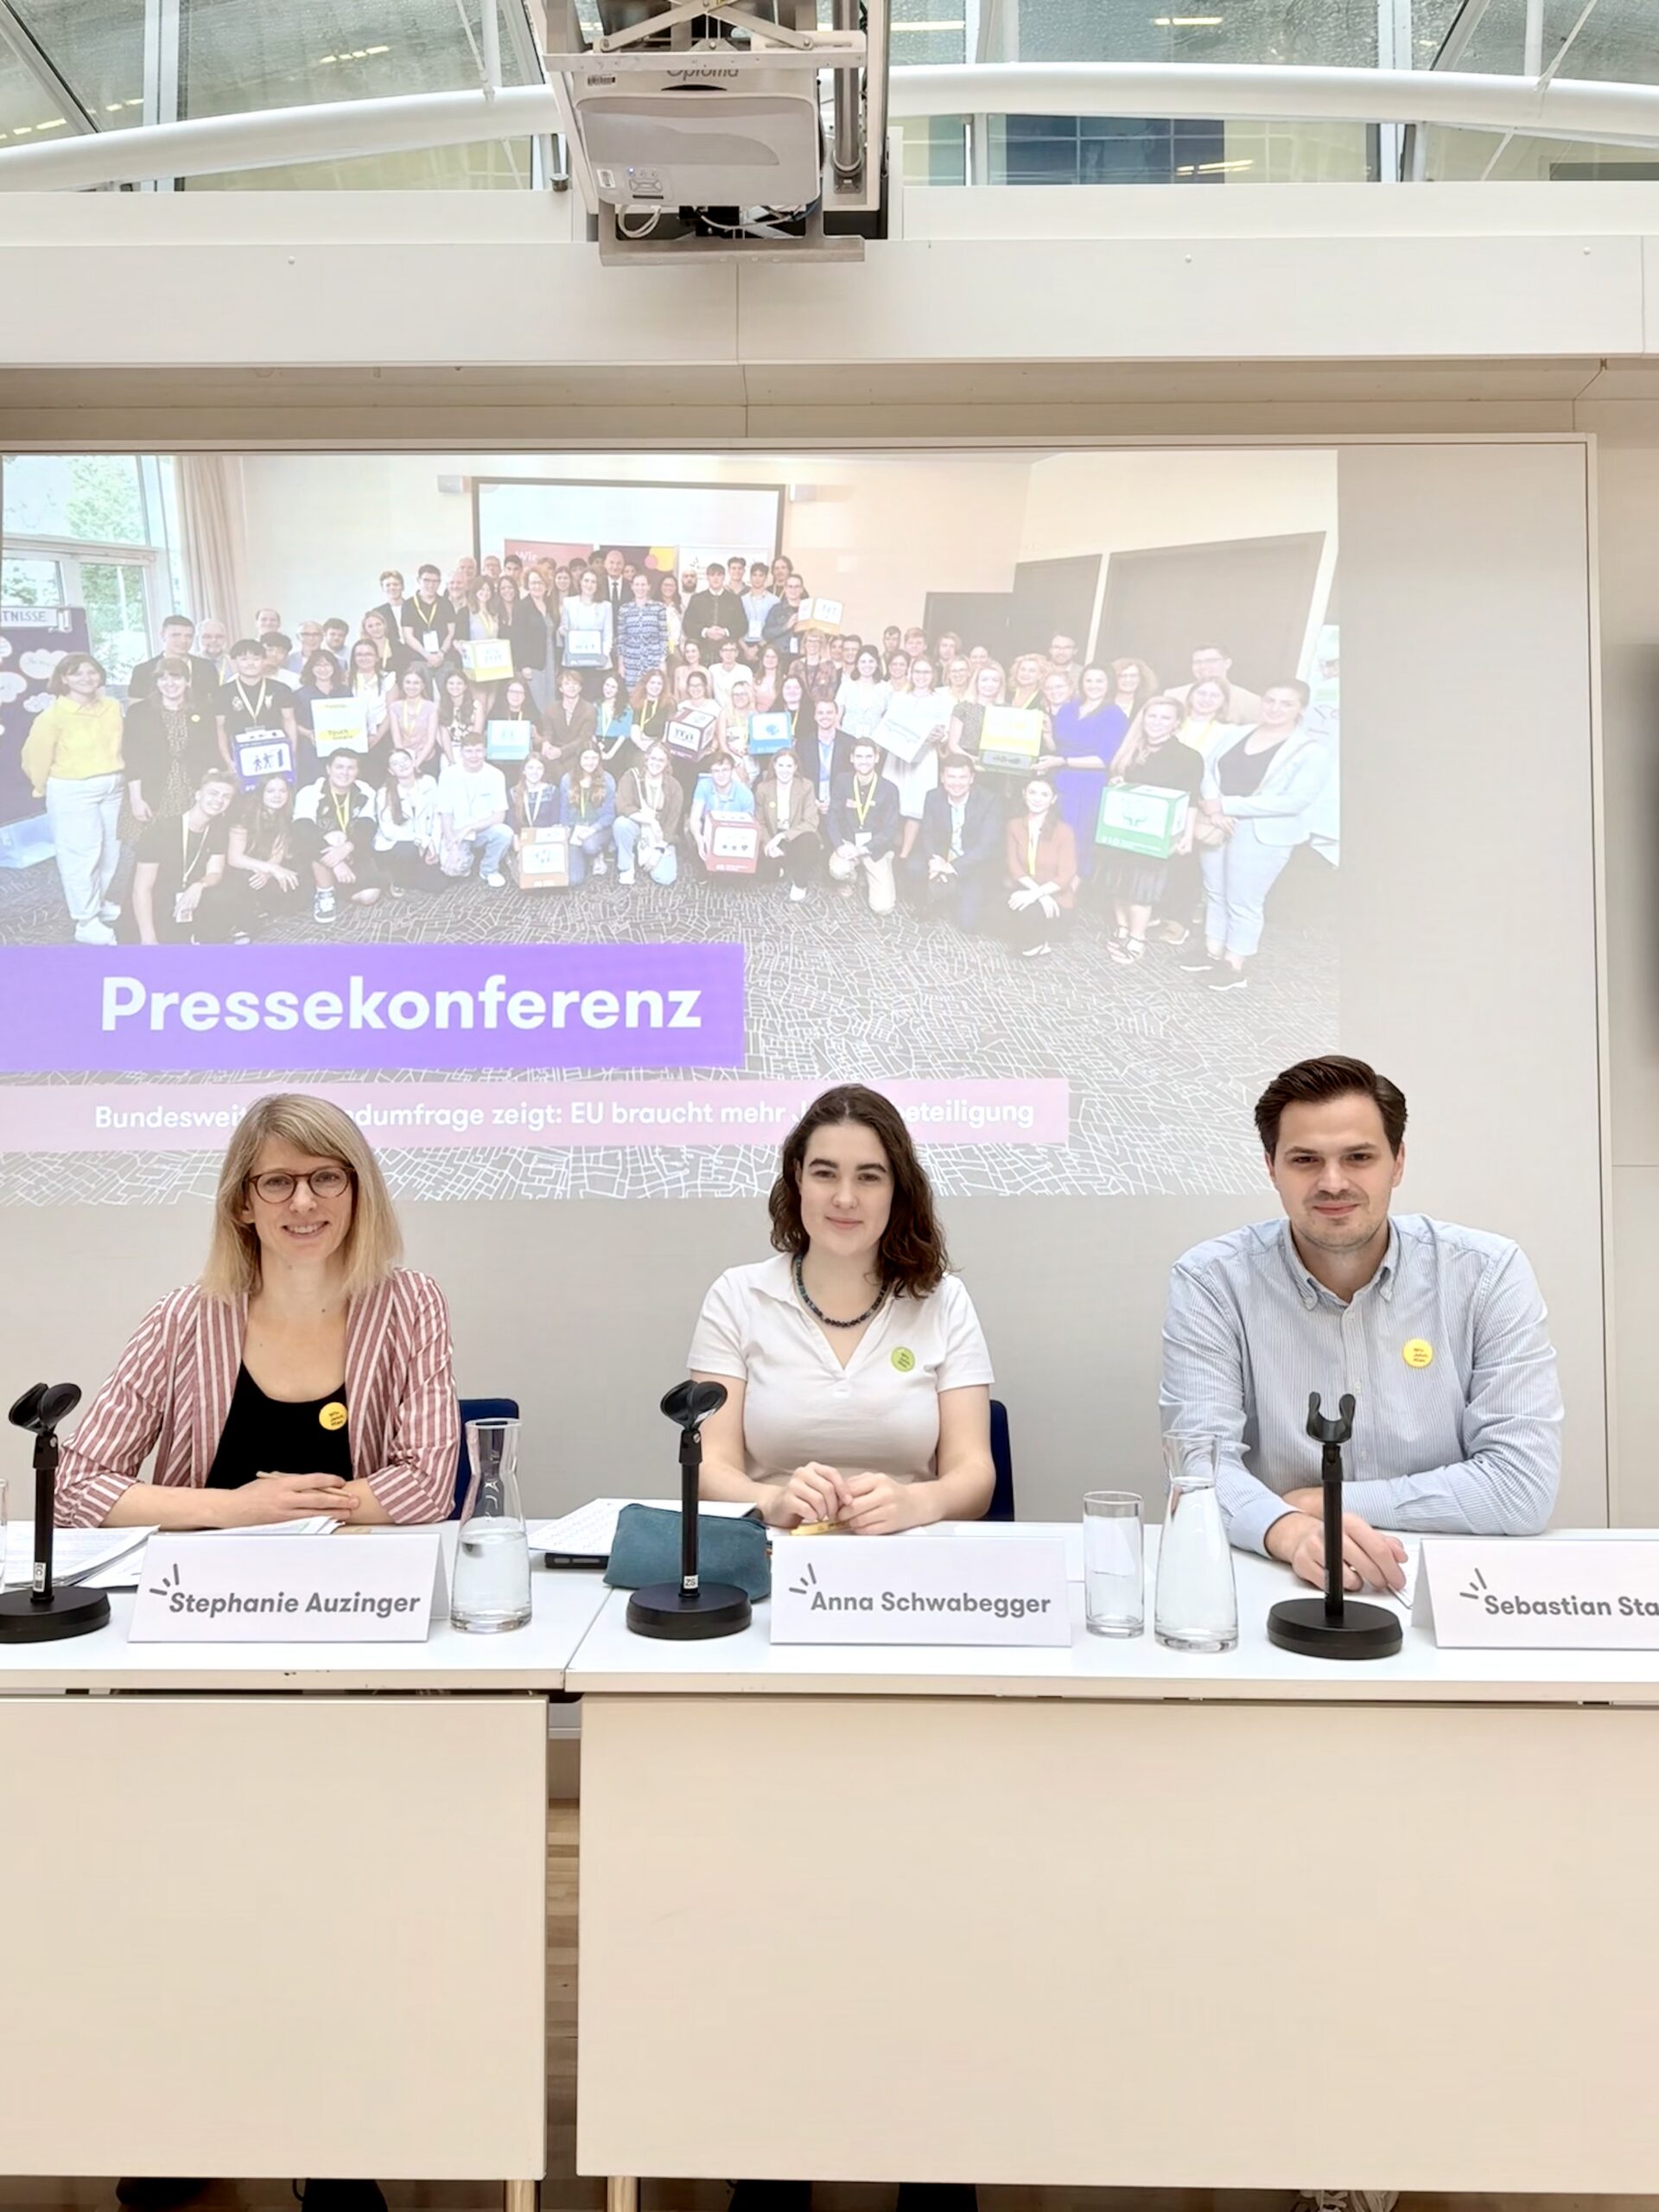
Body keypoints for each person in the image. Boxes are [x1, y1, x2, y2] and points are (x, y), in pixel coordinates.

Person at [1161, 1052, 1561, 1583]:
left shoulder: (1487, 1274)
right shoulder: (1212, 1281)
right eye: (1305, 1160)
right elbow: (1199, 1472)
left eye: (1358, 1158)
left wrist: (1332, 1503)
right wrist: (1290, 1529)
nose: (1332, 1182)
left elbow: (1521, 1488)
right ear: (1270, 1167)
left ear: (1397, 1162)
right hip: (1277, 1572)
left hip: (1454, 1577)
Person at [56, 1088, 458, 1535]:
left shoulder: (411, 1303)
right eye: (277, 1182)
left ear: (358, 1193)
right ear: (242, 1203)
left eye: (326, 1178)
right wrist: (235, 1508)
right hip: (201, 1592)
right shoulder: (183, 1318)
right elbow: (72, 1489)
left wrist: (288, 1507)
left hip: (358, 1590)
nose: (303, 1202)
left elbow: (428, 1486)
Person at [690, 1083, 995, 1547]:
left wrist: (918, 1503)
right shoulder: (736, 1297)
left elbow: (975, 1475)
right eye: (825, 1173)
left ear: (898, 1189)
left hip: (910, 1561)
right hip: (771, 1557)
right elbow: (710, 1467)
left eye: (869, 1177)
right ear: (797, 1177)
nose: (845, 1198)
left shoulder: (944, 1301)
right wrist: (770, 1501)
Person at [1186, 681, 1330, 994]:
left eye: (1286, 704)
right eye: (1271, 700)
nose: (1275, 708)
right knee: (1215, 890)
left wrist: (1229, 805)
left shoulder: (1311, 750)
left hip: (1262, 833)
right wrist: (1215, 810)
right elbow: (1208, 770)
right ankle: (1213, 950)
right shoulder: (1236, 733)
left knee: (1244, 900)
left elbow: (1296, 800)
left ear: (1300, 709)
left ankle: (1234, 965)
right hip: (1218, 822)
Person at [21, 650, 126, 945]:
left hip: (112, 786)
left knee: (110, 852)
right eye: (77, 673)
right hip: (72, 790)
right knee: (82, 855)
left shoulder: (112, 706)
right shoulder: (52, 716)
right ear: (64, 678)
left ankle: (98, 903)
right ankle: (85, 921)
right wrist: (41, 788)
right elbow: (34, 758)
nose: (86, 678)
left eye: (92, 671)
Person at [1101, 693, 1203, 966]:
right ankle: (1122, 927)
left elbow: (1192, 799)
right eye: (1152, 716)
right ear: (1143, 718)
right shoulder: (1131, 750)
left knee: (1141, 888)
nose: (1157, 722)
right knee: (1117, 881)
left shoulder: (1188, 757)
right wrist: (1118, 783)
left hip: (1156, 836)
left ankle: (1137, 938)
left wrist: (1188, 835)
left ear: (1177, 724)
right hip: (1123, 829)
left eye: (1165, 718)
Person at [131, 766, 237, 944]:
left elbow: (216, 872)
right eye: (213, 793)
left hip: (186, 898)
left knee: (225, 894)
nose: (219, 800)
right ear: (198, 795)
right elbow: (141, 889)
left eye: (226, 797)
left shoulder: (217, 830)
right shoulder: (161, 830)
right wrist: (148, 938)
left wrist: (199, 885)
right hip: (155, 903)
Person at [1045, 661, 1126, 872]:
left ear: (1109, 684)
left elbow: (1103, 760)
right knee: (1053, 836)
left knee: (1078, 838)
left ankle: (1073, 890)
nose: (1094, 685)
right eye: (1089, 680)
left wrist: (1064, 762)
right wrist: (1046, 733)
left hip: (1087, 787)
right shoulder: (1069, 708)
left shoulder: (1114, 715)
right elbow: (1056, 747)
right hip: (1057, 781)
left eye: (1100, 681)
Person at [907, 754, 1002, 932]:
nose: (956, 783)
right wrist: (934, 861)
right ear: (942, 777)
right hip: (943, 856)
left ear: (972, 778)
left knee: (968, 924)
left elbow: (986, 847)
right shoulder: (933, 797)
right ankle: (929, 898)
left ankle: (953, 892)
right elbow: (927, 834)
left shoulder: (989, 801)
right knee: (914, 866)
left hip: (970, 862)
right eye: (951, 776)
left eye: (962, 777)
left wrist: (950, 867)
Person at [123, 657, 218, 827]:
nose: (170, 683)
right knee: (154, 846)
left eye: (176, 677)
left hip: (194, 787)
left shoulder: (203, 710)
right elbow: (132, 758)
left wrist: (210, 791)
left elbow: (211, 752)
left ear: (187, 681)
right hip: (153, 791)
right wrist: (136, 799)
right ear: (156, 683)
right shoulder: (138, 713)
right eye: (163, 678)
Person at [295, 750, 381, 922]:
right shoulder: (310, 792)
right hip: (317, 853)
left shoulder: (365, 791)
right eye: (339, 767)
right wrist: (337, 863)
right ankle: (325, 892)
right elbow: (303, 830)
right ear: (328, 769)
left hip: (352, 851)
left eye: (351, 768)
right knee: (335, 836)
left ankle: (337, 888)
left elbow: (367, 826)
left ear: (357, 772)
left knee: (369, 896)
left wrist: (346, 849)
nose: (345, 773)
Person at [218, 775, 304, 938]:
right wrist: (272, 869)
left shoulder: (285, 815)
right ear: (261, 793)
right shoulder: (244, 815)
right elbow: (235, 858)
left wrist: (268, 873)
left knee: (293, 887)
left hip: (264, 868)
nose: (277, 796)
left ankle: (260, 907)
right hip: (241, 867)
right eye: (271, 791)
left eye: (282, 791)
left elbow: (278, 852)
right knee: (242, 890)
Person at [1004, 773, 1076, 957]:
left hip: (1056, 900)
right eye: (1032, 792)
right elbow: (1014, 866)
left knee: (1027, 917)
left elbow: (1066, 876)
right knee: (991, 913)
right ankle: (1036, 937)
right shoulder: (1014, 825)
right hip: (1026, 892)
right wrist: (1037, 894)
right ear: (1024, 794)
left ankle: (1038, 943)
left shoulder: (1064, 831)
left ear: (1053, 799)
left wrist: (1038, 895)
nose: (1037, 799)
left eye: (1044, 795)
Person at [827, 738, 900, 915]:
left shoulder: (889, 789)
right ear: (852, 758)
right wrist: (839, 845)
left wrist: (863, 849)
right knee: (838, 869)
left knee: (883, 908)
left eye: (869, 756)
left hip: (875, 848)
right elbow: (832, 817)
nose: (864, 761)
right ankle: (851, 879)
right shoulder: (842, 781)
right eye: (859, 756)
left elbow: (890, 829)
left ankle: (872, 871)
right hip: (848, 844)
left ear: (876, 758)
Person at [215, 639, 299, 777]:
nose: (250, 663)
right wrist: (228, 761)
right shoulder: (223, 692)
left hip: (275, 755)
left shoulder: (281, 689)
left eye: (256, 658)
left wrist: (291, 753)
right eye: (244, 659)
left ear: (264, 661)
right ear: (234, 662)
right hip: (239, 756)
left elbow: (289, 720)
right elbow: (220, 728)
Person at [435, 734, 511, 886]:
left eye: (478, 751)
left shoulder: (496, 775)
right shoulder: (448, 775)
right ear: (461, 753)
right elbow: (446, 814)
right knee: (453, 870)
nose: (474, 756)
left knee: (505, 833)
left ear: (486, 752)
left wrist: (470, 827)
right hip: (456, 832)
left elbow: (499, 816)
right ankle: (466, 858)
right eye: (469, 751)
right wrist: (453, 845)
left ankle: (489, 869)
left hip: (483, 829)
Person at [613, 740, 683, 887]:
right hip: (637, 828)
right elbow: (623, 806)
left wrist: (659, 851)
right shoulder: (632, 776)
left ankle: (650, 854)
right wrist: (650, 821)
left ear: (667, 763)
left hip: (659, 836)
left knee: (665, 878)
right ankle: (627, 866)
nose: (656, 763)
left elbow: (672, 823)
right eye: (653, 758)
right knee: (621, 824)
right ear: (646, 759)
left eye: (661, 760)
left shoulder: (674, 786)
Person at [372, 747, 441, 897]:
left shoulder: (429, 782)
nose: (402, 765)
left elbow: (437, 817)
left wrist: (434, 846)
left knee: (437, 885)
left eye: (405, 760)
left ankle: (412, 876)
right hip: (397, 846)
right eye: (396, 764)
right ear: (391, 771)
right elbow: (389, 831)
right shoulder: (384, 793)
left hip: (424, 843)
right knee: (407, 851)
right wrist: (423, 841)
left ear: (413, 762)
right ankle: (395, 878)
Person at [755, 746, 820, 901]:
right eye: (781, 765)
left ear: (796, 767)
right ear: (774, 766)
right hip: (772, 836)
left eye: (789, 766)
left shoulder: (806, 786)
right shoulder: (763, 789)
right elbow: (760, 822)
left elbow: (811, 823)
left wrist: (783, 836)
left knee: (809, 840)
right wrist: (768, 845)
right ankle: (783, 864)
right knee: (765, 874)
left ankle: (800, 883)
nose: (785, 770)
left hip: (796, 836)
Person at [130, 615, 219, 706]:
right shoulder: (142, 671)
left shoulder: (207, 668)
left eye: (188, 636)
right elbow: (136, 711)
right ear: (162, 635)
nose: (183, 641)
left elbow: (216, 705)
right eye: (176, 635)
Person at [689, 753, 755, 872]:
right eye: (716, 771)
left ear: (732, 771)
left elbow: (749, 828)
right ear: (710, 773)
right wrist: (699, 838)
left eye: (725, 770)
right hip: (708, 829)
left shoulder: (745, 794)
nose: (721, 775)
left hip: (736, 833)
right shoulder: (703, 785)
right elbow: (695, 817)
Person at [559, 744, 617, 882]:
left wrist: (592, 830)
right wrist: (564, 828)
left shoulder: (607, 780)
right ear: (579, 759)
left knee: (590, 846)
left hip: (598, 828)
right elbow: (564, 809)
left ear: (599, 759)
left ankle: (597, 853)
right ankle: (586, 857)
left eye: (594, 758)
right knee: (574, 880)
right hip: (576, 830)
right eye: (586, 758)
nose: (590, 762)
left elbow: (610, 814)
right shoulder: (567, 779)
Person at [1168, 644, 1262, 724]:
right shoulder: (1173, 696)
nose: (1203, 667)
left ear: (1227, 663)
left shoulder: (1250, 701)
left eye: (1210, 661)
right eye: (1197, 662)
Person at [559, 566, 614, 696]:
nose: (589, 585)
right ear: (580, 582)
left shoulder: (606, 606)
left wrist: (603, 656)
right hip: (574, 662)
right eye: (586, 581)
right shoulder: (569, 603)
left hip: (597, 664)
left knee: (593, 700)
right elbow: (564, 629)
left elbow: (608, 635)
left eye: (593, 582)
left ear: (598, 585)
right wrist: (563, 631)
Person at [512, 564, 560, 716]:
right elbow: (517, 638)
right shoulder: (521, 606)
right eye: (533, 583)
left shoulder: (549, 604)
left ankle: (549, 735)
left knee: (551, 700)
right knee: (537, 702)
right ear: (527, 585)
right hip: (532, 663)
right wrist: (523, 665)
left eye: (540, 582)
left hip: (550, 660)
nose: (536, 586)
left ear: (546, 584)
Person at [380, 662, 441, 778]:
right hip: (403, 761)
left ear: (423, 685)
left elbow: (431, 740)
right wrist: (406, 761)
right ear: (402, 684)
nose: (411, 687)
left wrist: (416, 764)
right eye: (408, 682)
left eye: (416, 683)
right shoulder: (395, 707)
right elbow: (397, 738)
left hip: (426, 759)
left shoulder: (431, 707)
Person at [617, 569, 669, 690]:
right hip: (631, 662)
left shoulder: (659, 608)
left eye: (643, 584)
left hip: (653, 660)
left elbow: (664, 637)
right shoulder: (624, 609)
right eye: (637, 584)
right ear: (632, 586)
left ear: (649, 587)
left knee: (652, 693)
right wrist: (621, 664)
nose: (640, 588)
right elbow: (621, 639)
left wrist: (662, 661)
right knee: (633, 695)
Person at [683, 560, 745, 658]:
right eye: (712, 575)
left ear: (724, 577)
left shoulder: (734, 599)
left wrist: (725, 631)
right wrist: (706, 631)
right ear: (707, 577)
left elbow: (742, 625)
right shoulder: (697, 599)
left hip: (728, 651)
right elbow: (687, 624)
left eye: (719, 575)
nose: (716, 578)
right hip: (702, 650)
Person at [402, 563, 456, 670]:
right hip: (418, 658)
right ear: (418, 580)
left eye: (435, 581)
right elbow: (408, 636)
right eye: (427, 581)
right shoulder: (409, 604)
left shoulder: (446, 603)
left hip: (444, 657)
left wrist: (441, 654)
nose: (431, 585)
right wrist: (428, 656)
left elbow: (451, 633)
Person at [542, 667, 597, 773]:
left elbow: (584, 738)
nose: (572, 687)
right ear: (560, 689)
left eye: (575, 684)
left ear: (580, 688)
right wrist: (546, 743)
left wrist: (561, 752)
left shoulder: (589, 710)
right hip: (555, 755)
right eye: (567, 683)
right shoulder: (550, 710)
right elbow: (548, 732)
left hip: (578, 754)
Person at [836, 643, 890, 746]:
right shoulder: (847, 686)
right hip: (848, 742)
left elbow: (889, 719)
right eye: (863, 662)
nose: (867, 665)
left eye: (871, 661)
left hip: (876, 744)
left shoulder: (885, 688)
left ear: (877, 664)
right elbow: (837, 717)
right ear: (857, 664)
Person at [435, 666, 484, 763]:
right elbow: (442, 736)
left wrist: (468, 754)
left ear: (465, 686)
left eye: (459, 684)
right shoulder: (439, 706)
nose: (455, 687)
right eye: (451, 683)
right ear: (445, 686)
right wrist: (451, 760)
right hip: (449, 750)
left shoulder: (476, 705)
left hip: (472, 749)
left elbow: (476, 734)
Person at [594, 671, 635, 768]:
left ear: (618, 690)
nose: (609, 689)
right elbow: (590, 730)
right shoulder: (595, 706)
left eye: (613, 687)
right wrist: (598, 751)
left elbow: (623, 735)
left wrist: (610, 754)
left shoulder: (627, 709)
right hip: (597, 744)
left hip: (617, 747)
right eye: (607, 685)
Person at [741, 559, 778, 650]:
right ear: (750, 577)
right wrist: (746, 650)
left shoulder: (774, 600)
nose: (757, 579)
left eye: (761, 575)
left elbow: (775, 628)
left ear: (766, 578)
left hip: (766, 644)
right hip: (744, 645)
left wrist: (757, 648)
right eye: (754, 575)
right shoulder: (742, 600)